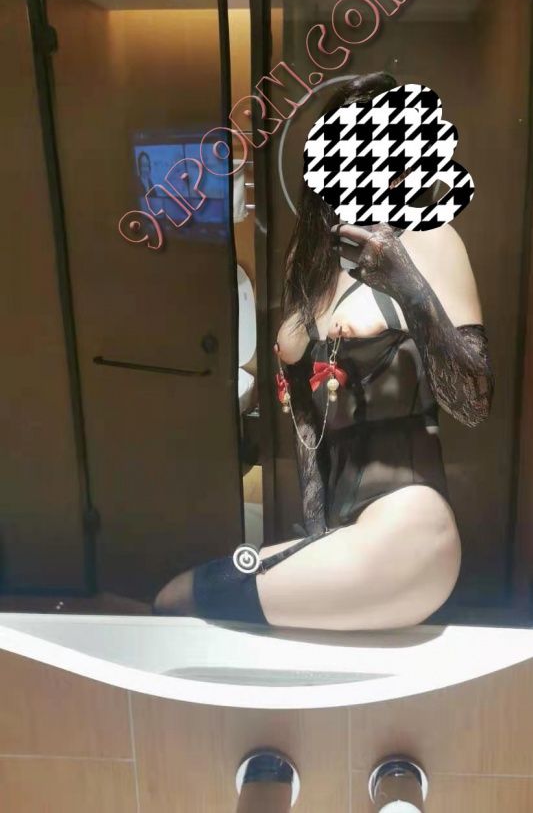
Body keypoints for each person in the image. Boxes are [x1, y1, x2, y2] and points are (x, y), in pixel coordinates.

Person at [154, 72, 494, 630]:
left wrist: (406, 282)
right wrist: (317, 531)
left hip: (408, 526)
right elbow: (307, 426)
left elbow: (474, 401)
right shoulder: (310, 261)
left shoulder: (432, 241)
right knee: (178, 598)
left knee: (185, 602)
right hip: (343, 530)